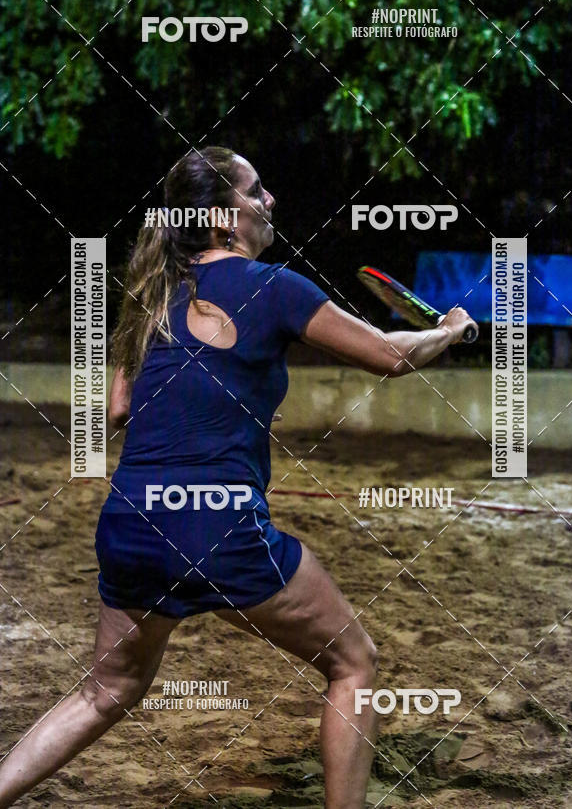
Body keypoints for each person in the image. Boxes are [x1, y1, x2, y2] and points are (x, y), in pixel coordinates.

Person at [0, 146, 477, 809]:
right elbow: (388, 357)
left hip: (130, 522)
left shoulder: (152, 299)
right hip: (215, 521)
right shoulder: (275, 286)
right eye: (257, 191)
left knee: (105, 690)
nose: (270, 201)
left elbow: (115, 410)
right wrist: (448, 332)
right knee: (353, 662)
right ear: (225, 217)